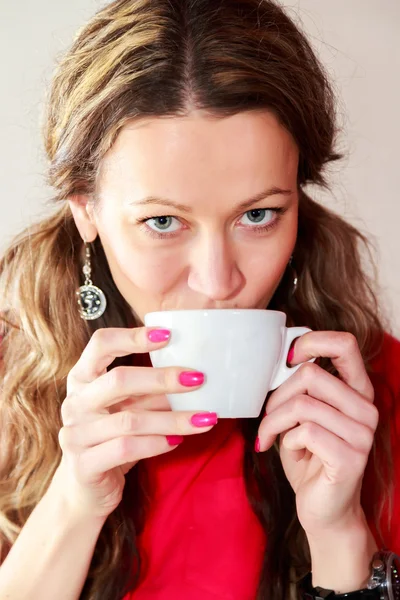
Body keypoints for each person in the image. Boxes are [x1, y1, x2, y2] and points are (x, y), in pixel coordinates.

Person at [0, 0, 399, 599]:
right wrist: (74, 504)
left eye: (259, 215)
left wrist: (339, 530)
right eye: (163, 221)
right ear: (86, 208)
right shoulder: (8, 378)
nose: (218, 282)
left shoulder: (375, 392)